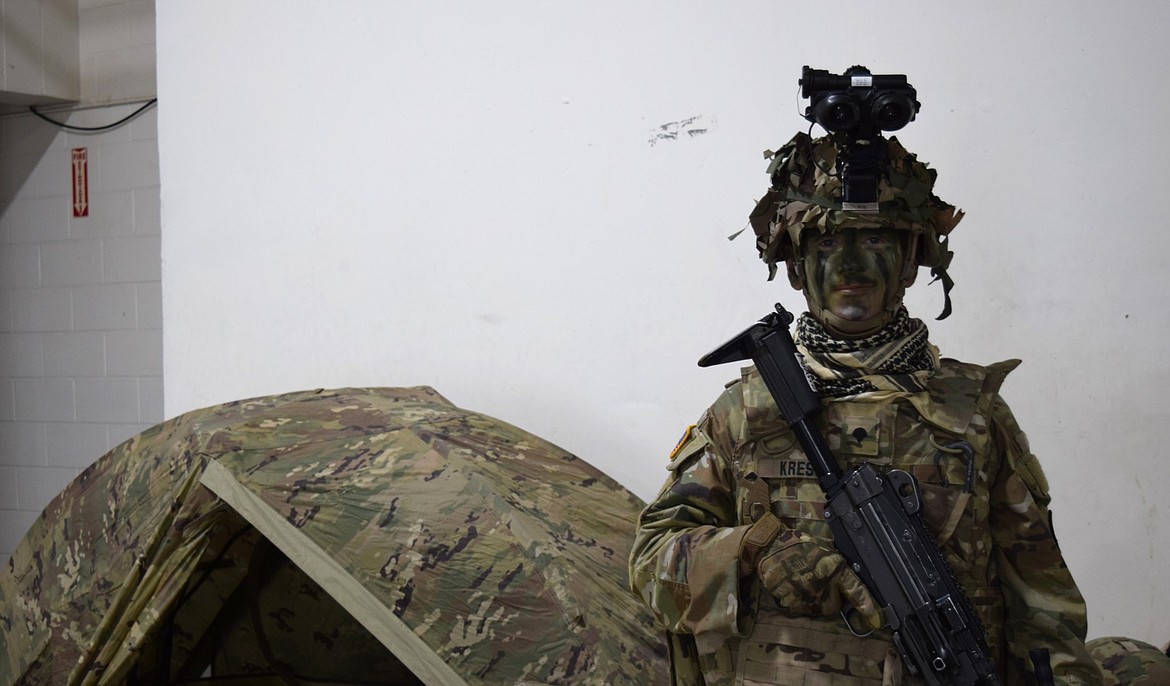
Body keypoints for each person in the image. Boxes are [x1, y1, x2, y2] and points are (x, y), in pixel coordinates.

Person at [628, 131, 1105, 685]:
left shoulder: (973, 417)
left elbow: (1044, 606)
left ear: (908, 262)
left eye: (876, 241)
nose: (851, 266)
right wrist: (755, 550)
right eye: (827, 246)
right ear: (796, 269)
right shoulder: (745, 414)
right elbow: (650, 561)